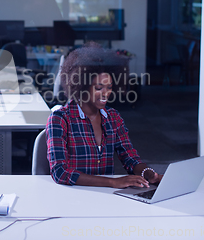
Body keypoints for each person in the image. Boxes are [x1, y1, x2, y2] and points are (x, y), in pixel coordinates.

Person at [46, 42, 162, 188]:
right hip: (72, 197)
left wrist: (148, 173)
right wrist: (113, 182)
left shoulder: (113, 117)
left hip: (106, 198)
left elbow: (131, 158)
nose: (106, 93)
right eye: (99, 88)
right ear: (81, 86)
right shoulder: (60, 119)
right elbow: (60, 172)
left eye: (109, 87)